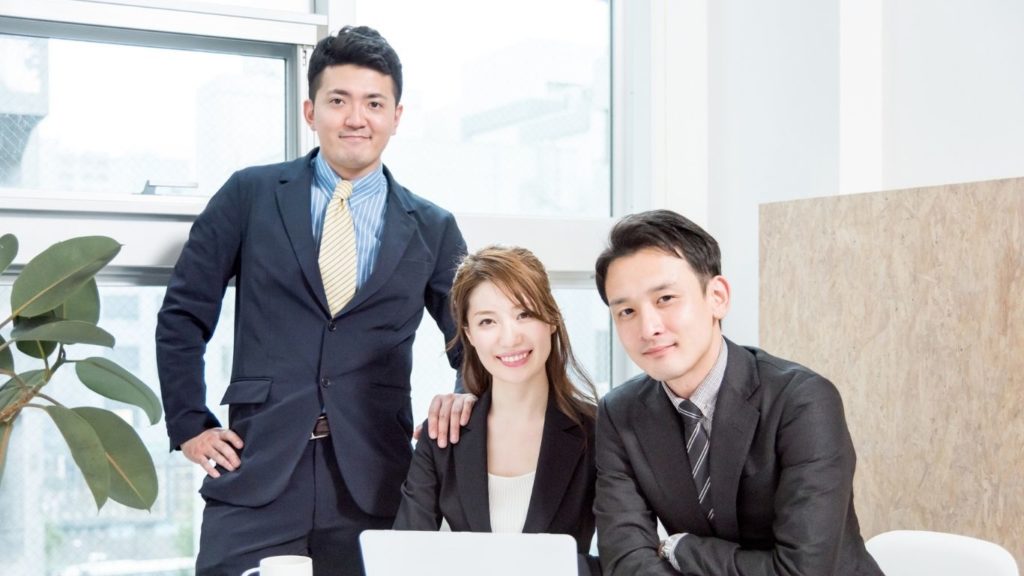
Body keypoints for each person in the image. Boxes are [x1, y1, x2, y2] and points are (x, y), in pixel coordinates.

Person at [156, 25, 474, 576]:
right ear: (311, 111)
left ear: (397, 116)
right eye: (338, 101)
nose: (357, 118)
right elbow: (184, 314)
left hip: (376, 478)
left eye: (374, 103)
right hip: (255, 468)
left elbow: (472, 339)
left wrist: (461, 401)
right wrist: (189, 422)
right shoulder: (249, 195)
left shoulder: (433, 227)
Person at [592, 210, 883, 575]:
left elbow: (801, 571)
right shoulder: (620, 413)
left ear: (717, 297)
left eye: (665, 299)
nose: (648, 327)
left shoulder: (803, 400)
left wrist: (682, 549)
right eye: (627, 311)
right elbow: (627, 562)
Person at [394, 246, 602, 576]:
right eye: (488, 321)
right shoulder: (444, 433)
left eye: (525, 314)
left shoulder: (597, 432)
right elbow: (403, 559)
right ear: (469, 335)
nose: (510, 337)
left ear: (551, 318)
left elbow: (624, 557)